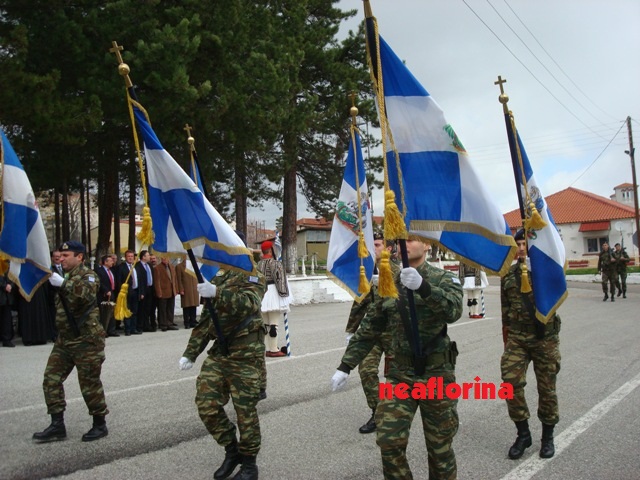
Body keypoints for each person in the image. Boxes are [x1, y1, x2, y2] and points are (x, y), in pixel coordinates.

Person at [331, 236, 463, 479]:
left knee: (440, 449)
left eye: (412, 239)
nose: (406, 244)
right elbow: (370, 327)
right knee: (388, 441)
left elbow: (453, 310)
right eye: (402, 239)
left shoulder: (443, 279)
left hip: (436, 376)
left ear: (427, 245)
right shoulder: (388, 284)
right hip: (400, 375)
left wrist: (424, 287)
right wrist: (345, 365)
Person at [178, 258, 266, 480]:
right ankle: (232, 449)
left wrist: (216, 292)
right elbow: (208, 321)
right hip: (220, 353)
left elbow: (250, 303)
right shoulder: (218, 276)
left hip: (245, 355)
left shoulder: (253, 274)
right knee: (206, 405)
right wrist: (190, 353)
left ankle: (249, 465)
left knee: (245, 412)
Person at [33, 241, 109, 443]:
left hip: (86, 340)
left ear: (80, 257)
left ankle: (99, 424)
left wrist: (63, 284)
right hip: (65, 340)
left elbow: (87, 294)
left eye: (66, 255)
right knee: (51, 379)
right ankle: (57, 425)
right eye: (60, 255)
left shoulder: (89, 275)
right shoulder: (64, 276)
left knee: (89, 383)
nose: (61, 258)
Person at [501, 228, 561, 460]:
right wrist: (506, 340)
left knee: (547, 389)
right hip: (518, 338)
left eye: (525, 243)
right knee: (510, 383)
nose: (522, 247)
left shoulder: (548, 271)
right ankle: (523, 434)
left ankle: (548, 437)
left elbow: (558, 298)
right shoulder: (509, 275)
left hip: (545, 338)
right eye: (518, 244)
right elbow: (506, 312)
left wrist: (542, 271)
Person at [343, 231, 394, 434]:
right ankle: (377, 411)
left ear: (389, 249)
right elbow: (360, 301)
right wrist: (351, 330)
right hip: (373, 333)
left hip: (394, 334)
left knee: (395, 376)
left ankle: (395, 412)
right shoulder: (368, 271)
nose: (374, 248)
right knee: (366, 371)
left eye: (379, 245)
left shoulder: (400, 272)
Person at [256, 240, 291, 357]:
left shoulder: (258, 264)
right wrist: (284, 294)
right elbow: (280, 280)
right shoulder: (276, 263)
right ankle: (274, 349)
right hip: (273, 293)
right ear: (270, 250)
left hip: (262, 293)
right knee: (273, 324)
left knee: (265, 324)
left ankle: (267, 348)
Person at [115, 250, 141, 335]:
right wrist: (121, 292)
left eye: (132, 256)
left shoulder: (136, 266)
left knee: (135, 311)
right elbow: (118, 281)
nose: (130, 258)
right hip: (126, 292)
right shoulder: (121, 267)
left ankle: (134, 328)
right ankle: (128, 329)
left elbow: (140, 280)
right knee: (127, 310)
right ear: (125, 257)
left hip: (136, 291)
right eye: (128, 256)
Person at [95, 254, 118, 337]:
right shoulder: (99, 271)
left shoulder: (111, 270)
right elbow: (99, 282)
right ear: (105, 262)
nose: (112, 262)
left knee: (111, 313)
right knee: (103, 314)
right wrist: (105, 290)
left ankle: (111, 330)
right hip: (103, 295)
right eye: (110, 260)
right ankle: (103, 330)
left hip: (112, 293)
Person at [154, 257, 178, 332]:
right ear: (161, 259)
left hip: (171, 291)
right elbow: (156, 282)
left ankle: (170, 323)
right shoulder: (157, 268)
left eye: (167, 258)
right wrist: (159, 292)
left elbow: (175, 279)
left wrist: (176, 289)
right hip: (163, 292)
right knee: (162, 309)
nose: (166, 259)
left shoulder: (172, 267)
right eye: (164, 258)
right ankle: (163, 324)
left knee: (170, 308)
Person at [176, 256, 200, 328]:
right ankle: (186, 322)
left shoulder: (194, 265)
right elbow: (179, 279)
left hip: (194, 288)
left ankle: (193, 320)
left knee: (194, 305)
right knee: (186, 306)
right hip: (186, 289)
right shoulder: (179, 266)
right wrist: (181, 289)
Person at [136, 250, 156, 332]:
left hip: (150, 289)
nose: (149, 257)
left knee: (148, 308)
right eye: (147, 255)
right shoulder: (138, 266)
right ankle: (141, 326)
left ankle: (147, 325)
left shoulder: (149, 265)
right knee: (142, 309)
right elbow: (139, 280)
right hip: (143, 289)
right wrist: (141, 292)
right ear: (143, 257)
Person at [0, 261, 16, 347]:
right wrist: (4, 285)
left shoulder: (8, 264)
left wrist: (10, 285)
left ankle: (6, 339)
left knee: (7, 319)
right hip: (1, 293)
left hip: (7, 297)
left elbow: (13, 277)